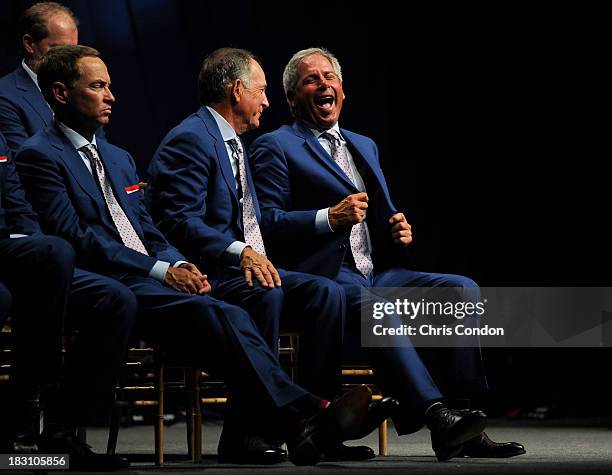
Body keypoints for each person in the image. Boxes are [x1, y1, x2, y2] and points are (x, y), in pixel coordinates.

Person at [14, 44, 379, 466]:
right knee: (232, 309)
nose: (111, 95)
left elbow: (149, 228)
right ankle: (309, 412)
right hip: (107, 279)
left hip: (155, 274)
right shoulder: (39, 154)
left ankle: (297, 422)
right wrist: (163, 268)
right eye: (97, 86)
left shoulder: (116, 156)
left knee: (257, 307)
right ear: (60, 93)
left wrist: (177, 263)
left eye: (110, 86)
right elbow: (75, 236)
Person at [250, 47, 526, 460]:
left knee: (460, 289)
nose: (324, 83)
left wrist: (396, 231)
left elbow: (378, 215)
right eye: (311, 79)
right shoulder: (276, 145)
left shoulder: (364, 144)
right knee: (376, 308)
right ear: (291, 98)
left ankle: (467, 420)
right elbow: (267, 224)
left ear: (342, 89)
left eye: (330, 77)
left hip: (374, 272)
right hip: (323, 278)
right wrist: (328, 217)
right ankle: (436, 415)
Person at [145, 47, 376, 461]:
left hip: (242, 270)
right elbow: (180, 220)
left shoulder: (234, 142)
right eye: (262, 91)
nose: (267, 102)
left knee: (326, 293)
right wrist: (242, 251)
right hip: (211, 273)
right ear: (237, 91)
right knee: (265, 293)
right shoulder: (191, 138)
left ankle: (319, 433)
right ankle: (248, 434)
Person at [0, 130, 136, 470]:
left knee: (115, 298)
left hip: (12, 251)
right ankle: (26, 399)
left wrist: (29, 245)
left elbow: (18, 206)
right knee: (36, 269)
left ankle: (62, 428)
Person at [0, 2, 103, 152]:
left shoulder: (80, 86)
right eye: (59, 49)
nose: (69, 60)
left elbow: (101, 149)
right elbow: (25, 162)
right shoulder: (5, 95)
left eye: (73, 50)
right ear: (29, 44)